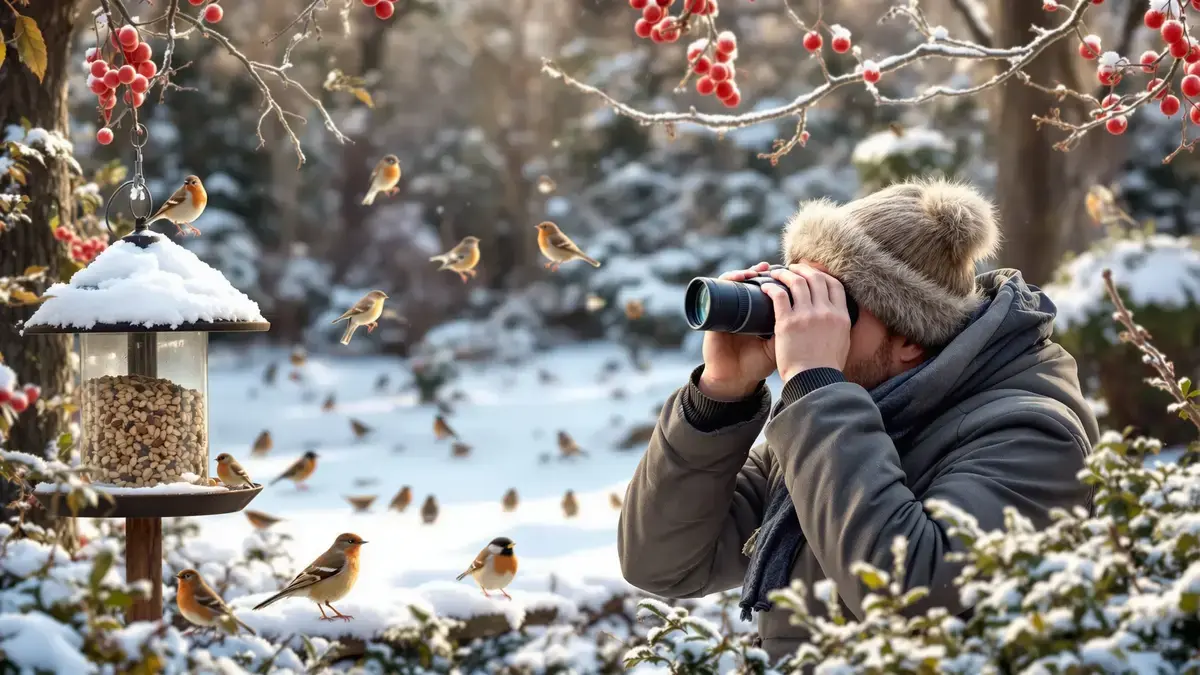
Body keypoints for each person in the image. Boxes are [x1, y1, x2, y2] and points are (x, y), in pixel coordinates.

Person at [617, 177, 1098, 661]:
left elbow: (914, 599)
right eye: (801, 287)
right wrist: (721, 395)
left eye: (834, 302)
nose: (802, 319)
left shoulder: (1032, 433)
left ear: (910, 338)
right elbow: (660, 563)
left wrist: (815, 385)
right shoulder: (836, 422)